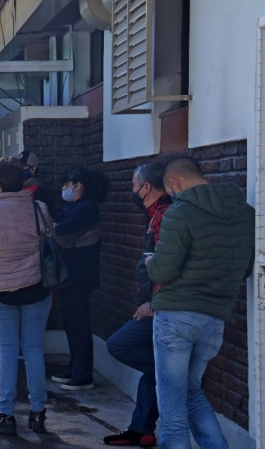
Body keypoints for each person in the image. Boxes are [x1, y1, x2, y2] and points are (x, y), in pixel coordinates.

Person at [146, 156, 254, 448]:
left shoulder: (180, 213)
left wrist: (150, 262)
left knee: (171, 404)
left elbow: (162, 271)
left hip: (176, 316)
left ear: (174, 183)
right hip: (215, 317)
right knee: (191, 391)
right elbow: (246, 268)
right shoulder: (246, 214)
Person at [0, 157, 52, 436]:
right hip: (37, 288)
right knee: (34, 350)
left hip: (0, 292)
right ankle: (38, 413)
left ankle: (5, 414)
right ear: (22, 182)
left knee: (7, 352)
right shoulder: (39, 208)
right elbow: (49, 244)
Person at [102, 161, 171, 447]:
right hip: (155, 302)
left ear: (146, 187)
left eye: (133, 185)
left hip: (161, 306)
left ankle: (173, 370)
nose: (132, 190)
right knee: (153, 369)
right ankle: (141, 429)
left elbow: (171, 265)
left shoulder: (166, 216)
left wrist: (154, 303)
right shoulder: (154, 215)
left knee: (120, 345)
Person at [50, 166, 108, 391]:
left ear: (78, 186)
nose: (63, 188)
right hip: (74, 275)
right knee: (72, 323)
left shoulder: (85, 208)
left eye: (66, 184)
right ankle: (75, 368)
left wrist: (53, 230)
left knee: (78, 323)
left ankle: (82, 374)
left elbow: (60, 235)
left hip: (79, 275)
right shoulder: (77, 207)